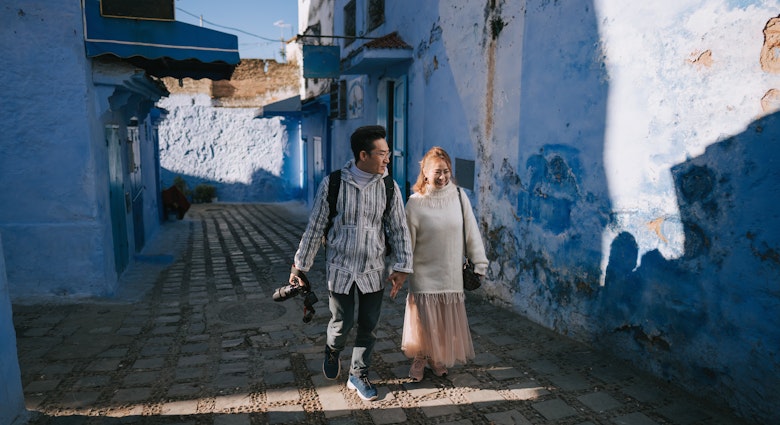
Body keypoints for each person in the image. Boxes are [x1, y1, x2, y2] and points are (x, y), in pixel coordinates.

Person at [290, 125, 413, 401]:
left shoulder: (389, 187)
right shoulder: (333, 184)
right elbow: (316, 227)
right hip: (340, 269)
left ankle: (359, 373)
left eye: (388, 153)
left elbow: (399, 229)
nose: (387, 159)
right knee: (341, 323)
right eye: (382, 154)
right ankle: (333, 349)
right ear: (363, 155)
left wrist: (402, 267)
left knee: (369, 325)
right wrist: (299, 267)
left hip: (373, 269)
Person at [401, 146, 488, 381]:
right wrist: (400, 270)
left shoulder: (459, 196)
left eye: (447, 171)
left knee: (442, 321)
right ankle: (420, 357)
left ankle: (436, 357)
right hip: (423, 272)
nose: (443, 177)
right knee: (424, 319)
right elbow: (406, 243)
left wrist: (480, 263)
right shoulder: (415, 203)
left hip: (450, 271)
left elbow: (471, 232)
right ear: (425, 172)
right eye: (438, 172)